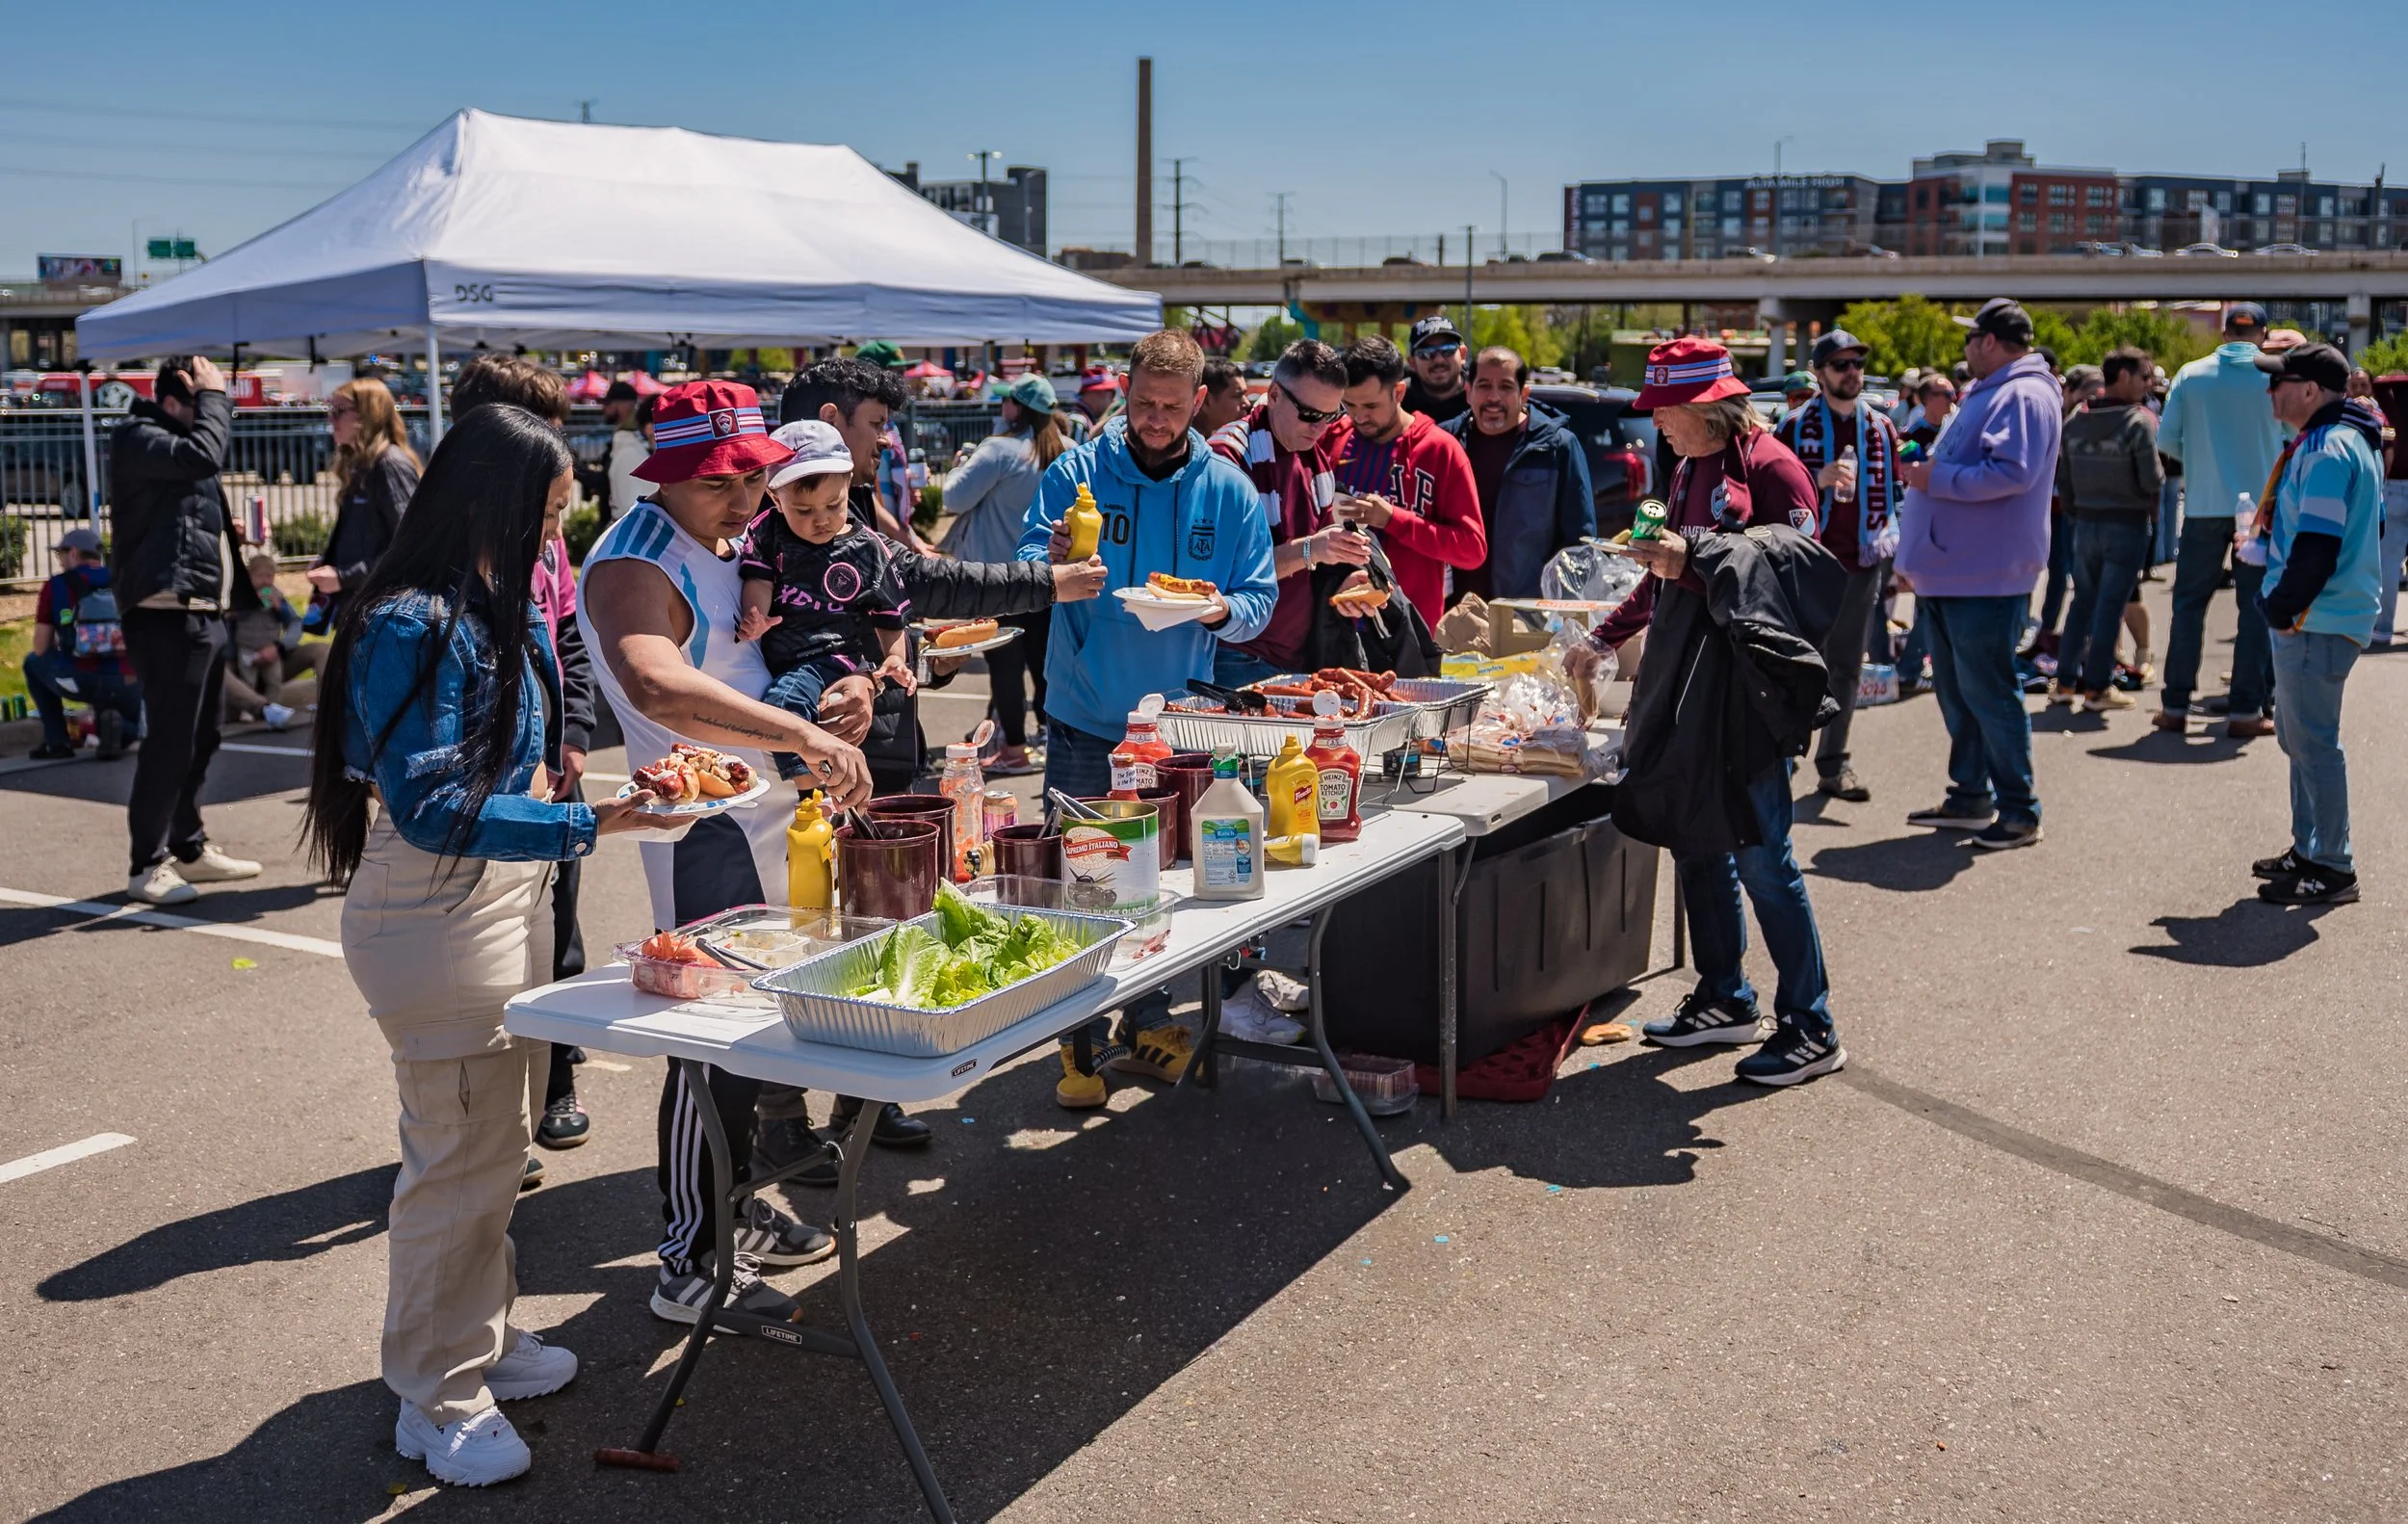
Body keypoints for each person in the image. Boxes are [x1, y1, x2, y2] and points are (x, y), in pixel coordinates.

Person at [301, 403, 675, 1487]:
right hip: (436, 911)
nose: (556, 540)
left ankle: (481, 1337)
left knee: (494, 1148)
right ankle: (436, 1391)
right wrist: (592, 821)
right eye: (549, 515)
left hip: (489, 901)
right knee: (457, 1160)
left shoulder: (475, 603)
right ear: (495, 503)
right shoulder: (414, 618)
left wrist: (582, 802)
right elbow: (429, 807)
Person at [578, 380, 875, 1327]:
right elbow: (657, 686)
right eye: (718, 482)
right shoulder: (632, 558)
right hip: (703, 836)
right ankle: (688, 1263)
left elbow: (776, 650)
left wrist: (845, 693)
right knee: (709, 1052)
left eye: (751, 475)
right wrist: (802, 733)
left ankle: (735, 1221)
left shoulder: (725, 542)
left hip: (776, 822)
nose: (744, 498)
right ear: (662, 476)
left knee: (763, 1038)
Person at [1568, 337, 1846, 1087]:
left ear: (1708, 408)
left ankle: (1811, 1024)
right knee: (1694, 839)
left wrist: (1691, 559)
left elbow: (1798, 582)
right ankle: (1725, 996)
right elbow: (1653, 558)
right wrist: (1602, 636)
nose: (1653, 424)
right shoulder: (1680, 467)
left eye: (1665, 412)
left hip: (1745, 698)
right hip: (1682, 691)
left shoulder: (1775, 468)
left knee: (1764, 860)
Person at [1016, 328, 1277, 1108]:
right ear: (1123, 394)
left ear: (1200, 402)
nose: (1156, 420)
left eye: (1171, 407)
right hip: (1087, 710)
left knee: (1166, 880)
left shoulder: (1227, 490)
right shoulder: (1079, 471)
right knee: (1087, 875)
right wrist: (1052, 560)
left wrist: (1220, 609)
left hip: (1181, 726)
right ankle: (1078, 1041)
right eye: (1142, 404)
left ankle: (1150, 1018)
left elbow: (1257, 603)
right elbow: (1028, 564)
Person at [443, 355, 603, 1158]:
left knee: (558, 930)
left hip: (551, 766)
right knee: (484, 958)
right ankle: (485, 1120)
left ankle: (557, 1077)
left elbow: (567, 633)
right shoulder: (435, 581)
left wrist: (572, 733)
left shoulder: (544, 536)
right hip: (487, 789)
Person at [1895, 298, 2059, 851]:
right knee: (1963, 692)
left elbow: (2010, 472)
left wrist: (1932, 478)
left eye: (1972, 338)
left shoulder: (2023, 392)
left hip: (1985, 575)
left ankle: (2018, 811)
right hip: (1958, 571)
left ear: (1990, 341)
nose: (1965, 348)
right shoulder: (2000, 390)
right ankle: (1972, 796)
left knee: (1989, 692)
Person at [110, 354, 262, 906]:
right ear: (176, 400)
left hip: (201, 610)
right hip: (162, 612)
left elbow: (185, 498)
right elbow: (203, 453)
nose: (213, 415)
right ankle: (145, 863)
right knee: (170, 742)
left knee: (203, 736)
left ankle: (188, 846)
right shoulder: (139, 435)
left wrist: (223, 529)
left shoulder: (172, 447)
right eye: (206, 402)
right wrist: (217, 396)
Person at [2247, 343, 2386, 906]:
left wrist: (2280, 609)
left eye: (2279, 381)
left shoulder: (2330, 449)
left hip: (2315, 617)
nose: (2270, 391)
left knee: (2313, 743)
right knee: (2301, 738)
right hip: (2321, 614)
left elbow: (2320, 545)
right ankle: (2310, 850)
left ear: (2310, 390)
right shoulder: (2334, 440)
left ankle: (2331, 866)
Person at [736, 419, 916, 777]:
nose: (821, 520)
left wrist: (896, 659)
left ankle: (809, 789)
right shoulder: (768, 531)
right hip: (780, 655)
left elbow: (889, 614)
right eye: (803, 510)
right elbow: (759, 579)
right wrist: (754, 614)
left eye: (834, 505)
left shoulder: (867, 547)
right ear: (774, 496)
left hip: (834, 656)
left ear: (849, 484)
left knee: (784, 706)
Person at [1773, 328, 1901, 802]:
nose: (1853, 373)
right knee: (1794, 665)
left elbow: (1898, 495)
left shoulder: (1881, 428)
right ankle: (1781, 761)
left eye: (1857, 364)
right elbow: (1765, 488)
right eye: (1841, 365)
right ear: (1820, 374)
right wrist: (1814, 477)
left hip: (1862, 564)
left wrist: (1898, 554)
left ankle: (1833, 763)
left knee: (1846, 667)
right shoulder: (1792, 427)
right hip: (1806, 565)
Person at [1207, 339, 1366, 686]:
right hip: (1235, 654)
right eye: (1310, 415)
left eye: (1331, 416)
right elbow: (1222, 576)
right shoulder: (1227, 456)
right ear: (1275, 394)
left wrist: (1346, 584)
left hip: (1297, 654)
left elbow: (1318, 564)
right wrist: (1312, 549)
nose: (1319, 428)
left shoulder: (1312, 458)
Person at [2155, 303, 2282, 736]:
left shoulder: (2191, 374)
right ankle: (2247, 712)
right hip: (2261, 508)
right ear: (2262, 335)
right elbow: (2292, 435)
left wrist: (2201, 462)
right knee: (2255, 608)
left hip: (2205, 503)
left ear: (2226, 333)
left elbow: (2166, 438)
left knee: (2188, 605)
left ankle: (2175, 707)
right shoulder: (2275, 375)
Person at [940, 373, 1074, 775]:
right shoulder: (1068, 450)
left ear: (1014, 407)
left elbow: (953, 497)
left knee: (1005, 667)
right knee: (1046, 664)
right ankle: (1051, 740)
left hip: (997, 578)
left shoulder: (999, 450)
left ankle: (1014, 749)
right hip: (1050, 577)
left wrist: (963, 463)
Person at [1333, 334, 1486, 625]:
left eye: (1370, 406)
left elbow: (1472, 549)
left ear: (1399, 392)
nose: (1359, 417)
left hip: (1410, 635)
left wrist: (1393, 519)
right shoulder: (1334, 439)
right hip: (1336, 630)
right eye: (1349, 405)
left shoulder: (1439, 450)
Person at [2052, 347, 2166, 713]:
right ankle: (2098, 688)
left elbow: (2063, 480)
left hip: (2084, 522)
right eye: (2144, 377)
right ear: (2123, 377)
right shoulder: (2138, 422)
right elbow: (2152, 479)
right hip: (2126, 523)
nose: (2148, 385)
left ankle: (2065, 682)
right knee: (2110, 606)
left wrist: (2078, 510)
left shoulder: (2076, 419)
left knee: (2082, 601)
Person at [1441, 346, 1595, 602]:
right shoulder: (1445, 443)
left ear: (1524, 394)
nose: (1494, 397)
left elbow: (1579, 544)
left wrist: (1559, 615)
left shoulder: (1558, 447)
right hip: (1452, 613)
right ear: (1468, 392)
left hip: (1527, 614)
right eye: (1484, 386)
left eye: (1506, 387)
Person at [309, 377, 421, 633]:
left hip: (382, 611)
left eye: (339, 411)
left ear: (368, 414)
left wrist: (343, 577)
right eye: (330, 410)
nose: (331, 419)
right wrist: (331, 563)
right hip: (360, 608)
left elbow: (408, 544)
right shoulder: (362, 466)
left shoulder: (389, 464)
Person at [23, 527, 141, 761]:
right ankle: (118, 728)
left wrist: (62, 639)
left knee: (32, 663)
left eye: (61, 555)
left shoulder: (56, 586)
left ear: (74, 553)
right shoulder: (124, 581)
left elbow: (40, 647)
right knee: (124, 728)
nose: (61, 561)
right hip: (128, 680)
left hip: (80, 680)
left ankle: (57, 742)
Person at [780, 355, 918, 544]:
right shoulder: (778, 535)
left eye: (834, 504)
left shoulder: (855, 493)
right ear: (830, 419)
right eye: (876, 424)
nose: (886, 441)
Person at [221, 550, 317, 728]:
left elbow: (294, 622)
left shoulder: (276, 595)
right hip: (245, 650)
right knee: (245, 681)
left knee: (276, 679)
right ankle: (249, 709)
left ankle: (274, 708)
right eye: (260, 576)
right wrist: (246, 605)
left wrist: (278, 610)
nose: (265, 581)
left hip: (271, 649)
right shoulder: (241, 597)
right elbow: (230, 617)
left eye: (269, 576)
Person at [851, 341, 931, 552]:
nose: (903, 380)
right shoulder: (855, 427)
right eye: (897, 372)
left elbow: (881, 483)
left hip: (888, 540)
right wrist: (904, 537)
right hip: (872, 542)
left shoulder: (888, 424)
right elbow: (862, 492)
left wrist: (905, 483)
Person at [2354, 368, 2408, 646]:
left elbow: (2388, 445)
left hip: (2396, 486)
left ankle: (2383, 628)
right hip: (2396, 486)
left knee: (2388, 563)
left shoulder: (2387, 400)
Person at [1402, 315, 1471, 425]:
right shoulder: (1399, 401)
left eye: (1448, 349)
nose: (1439, 360)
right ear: (1412, 363)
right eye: (1426, 353)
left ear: (1463, 354)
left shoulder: (1481, 395)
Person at [602, 379, 648, 526]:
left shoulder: (630, 436)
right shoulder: (630, 433)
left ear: (624, 404)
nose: (604, 409)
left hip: (627, 519)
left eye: (608, 404)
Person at [1195, 355, 1251, 436]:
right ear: (1206, 401)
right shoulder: (1181, 446)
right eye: (1237, 396)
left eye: (1245, 395)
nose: (1247, 404)